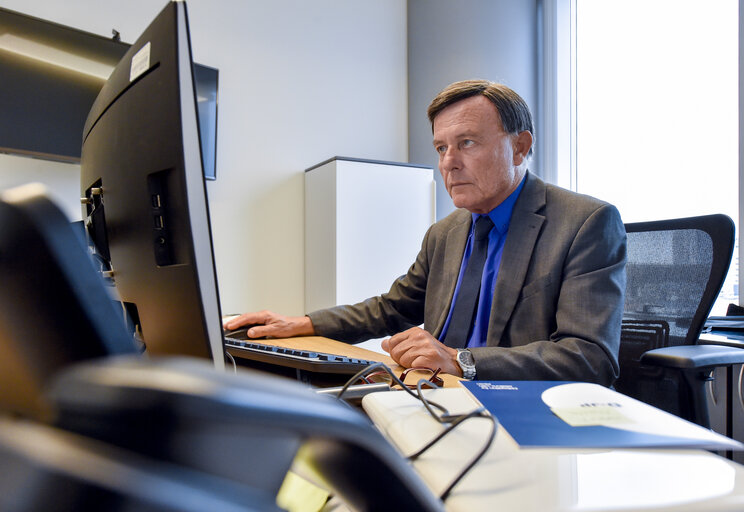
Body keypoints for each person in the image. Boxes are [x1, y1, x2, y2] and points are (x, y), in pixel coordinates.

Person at [225, 79, 627, 385]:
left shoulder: (585, 223)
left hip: (515, 411)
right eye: (440, 148)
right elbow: (391, 308)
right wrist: (302, 323)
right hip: (432, 393)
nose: (448, 163)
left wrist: (461, 360)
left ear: (520, 147)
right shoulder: (446, 232)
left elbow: (589, 358)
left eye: (466, 143)